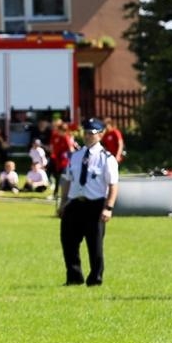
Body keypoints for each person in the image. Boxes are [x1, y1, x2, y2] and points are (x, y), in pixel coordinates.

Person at [58, 118, 119, 287]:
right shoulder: (76, 156)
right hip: (75, 202)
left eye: (91, 133)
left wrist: (109, 207)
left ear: (100, 135)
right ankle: (74, 277)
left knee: (95, 244)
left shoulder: (107, 158)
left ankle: (95, 278)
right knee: (68, 241)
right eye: (85, 133)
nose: (87, 136)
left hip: (95, 204)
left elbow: (113, 185)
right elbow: (68, 180)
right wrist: (63, 202)